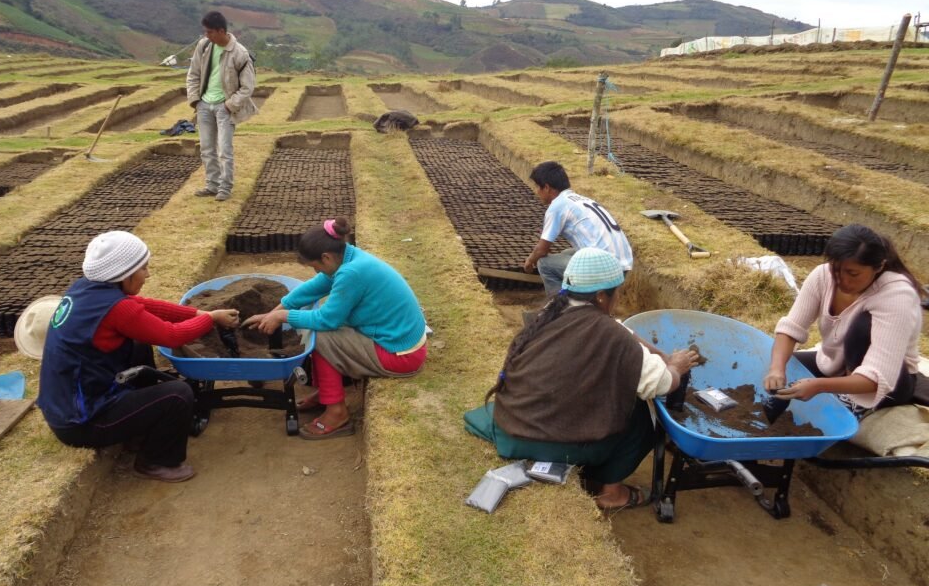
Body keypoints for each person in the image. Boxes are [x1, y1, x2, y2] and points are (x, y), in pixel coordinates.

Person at [467, 248, 698, 512]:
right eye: (617, 292)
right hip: (550, 441)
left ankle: (588, 464)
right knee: (645, 414)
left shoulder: (552, 312)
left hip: (513, 425)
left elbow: (620, 329)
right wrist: (676, 367)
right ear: (601, 296)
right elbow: (662, 384)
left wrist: (663, 356)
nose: (618, 297)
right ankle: (613, 492)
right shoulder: (608, 334)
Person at [28, 231, 240, 482]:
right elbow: (171, 336)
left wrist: (198, 313)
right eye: (143, 268)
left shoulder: (86, 289)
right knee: (178, 395)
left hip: (69, 403)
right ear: (123, 273)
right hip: (82, 422)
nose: (148, 274)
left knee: (138, 344)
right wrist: (209, 319)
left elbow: (145, 306)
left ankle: (141, 424)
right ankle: (155, 461)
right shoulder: (116, 308)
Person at [245, 217, 428, 440]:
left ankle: (336, 413)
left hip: (400, 354)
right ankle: (327, 393)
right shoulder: (348, 257)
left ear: (326, 257)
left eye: (315, 267)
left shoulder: (352, 273)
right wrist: (273, 312)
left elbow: (327, 320)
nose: (315, 272)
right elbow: (314, 288)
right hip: (397, 339)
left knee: (320, 335)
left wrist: (284, 316)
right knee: (321, 326)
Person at [764, 224, 923, 412]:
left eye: (853, 274)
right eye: (836, 270)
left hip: (890, 383)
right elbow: (791, 328)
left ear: (878, 267)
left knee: (862, 326)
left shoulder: (897, 296)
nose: (842, 280)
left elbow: (879, 376)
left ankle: (853, 403)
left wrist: (819, 386)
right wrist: (777, 368)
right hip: (835, 365)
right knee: (780, 370)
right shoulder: (823, 276)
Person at [522, 161, 633, 296]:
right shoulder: (579, 199)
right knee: (568, 253)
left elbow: (542, 250)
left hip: (606, 270)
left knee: (544, 264)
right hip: (623, 265)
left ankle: (560, 309)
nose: (536, 192)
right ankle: (576, 296)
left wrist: (529, 261)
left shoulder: (557, 206)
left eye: (537, 187)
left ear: (546, 188)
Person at [185, 11, 258, 202]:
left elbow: (247, 87)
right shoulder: (204, 46)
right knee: (207, 148)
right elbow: (193, 75)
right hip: (204, 105)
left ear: (221, 31)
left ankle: (225, 187)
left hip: (224, 108)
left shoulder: (240, 54)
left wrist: (229, 105)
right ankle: (212, 185)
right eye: (205, 32)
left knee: (224, 150)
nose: (206, 35)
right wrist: (195, 100)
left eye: (209, 32)